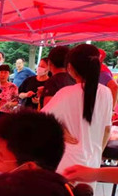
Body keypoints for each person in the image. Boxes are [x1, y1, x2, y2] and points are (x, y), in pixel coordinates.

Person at [43, 44, 113, 175]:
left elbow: (41, 119)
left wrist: (60, 130)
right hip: (92, 164)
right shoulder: (106, 93)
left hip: (67, 162)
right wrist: (97, 154)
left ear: (70, 67)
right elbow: (107, 130)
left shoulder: (66, 93)